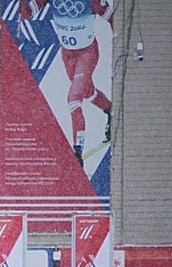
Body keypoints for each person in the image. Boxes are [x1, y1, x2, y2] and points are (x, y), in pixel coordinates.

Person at [20, 0, 113, 167]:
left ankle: (77, 151)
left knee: (73, 97)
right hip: (68, 55)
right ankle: (109, 110)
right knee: (87, 92)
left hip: (87, 53)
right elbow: (26, 12)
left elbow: (114, 19)